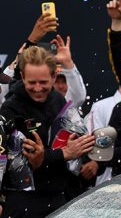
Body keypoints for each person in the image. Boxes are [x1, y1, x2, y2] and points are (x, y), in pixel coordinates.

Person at [0, 46, 95, 217]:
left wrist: (80, 149)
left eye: (43, 82)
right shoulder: (11, 109)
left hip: (59, 196)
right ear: (22, 77)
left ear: (53, 77)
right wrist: (63, 154)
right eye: (32, 82)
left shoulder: (58, 100)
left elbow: (78, 143)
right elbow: (20, 163)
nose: (37, 88)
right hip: (23, 202)